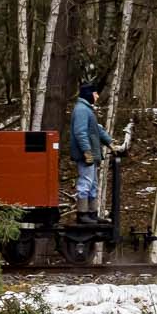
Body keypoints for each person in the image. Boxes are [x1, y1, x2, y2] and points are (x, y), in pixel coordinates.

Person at [68, 80, 109, 222]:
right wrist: (87, 152)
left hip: (91, 153)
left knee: (93, 184)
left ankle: (92, 214)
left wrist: (110, 143)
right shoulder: (81, 110)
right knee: (85, 182)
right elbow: (80, 133)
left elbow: (96, 130)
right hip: (86, 154)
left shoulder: (86, 110)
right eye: (95, 93)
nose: (97, 96)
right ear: (88, 94)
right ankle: (82, 214)